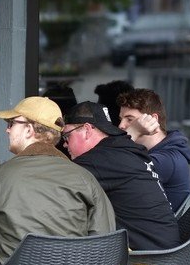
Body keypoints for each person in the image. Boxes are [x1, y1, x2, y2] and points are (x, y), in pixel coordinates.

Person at [0, 97, 115, 265]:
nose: (7, 129)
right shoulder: (85, 178)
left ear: (29, 129)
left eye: (12, 123)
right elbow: (103, 242)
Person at [62, 101, 180, 251]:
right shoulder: (121, 151)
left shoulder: (100, 159)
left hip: (148, 261)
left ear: (86, 130)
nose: (65, 144)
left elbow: (56, 185)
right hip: (164, 251)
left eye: (67, 136)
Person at [117, 89, 190, 211]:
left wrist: (133, 132)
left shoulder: (167, 159)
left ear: (153, 120)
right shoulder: (153, 150)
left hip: (149, 228)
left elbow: (115, 169)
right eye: (121, 119)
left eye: (129, 119)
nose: (121, 125)